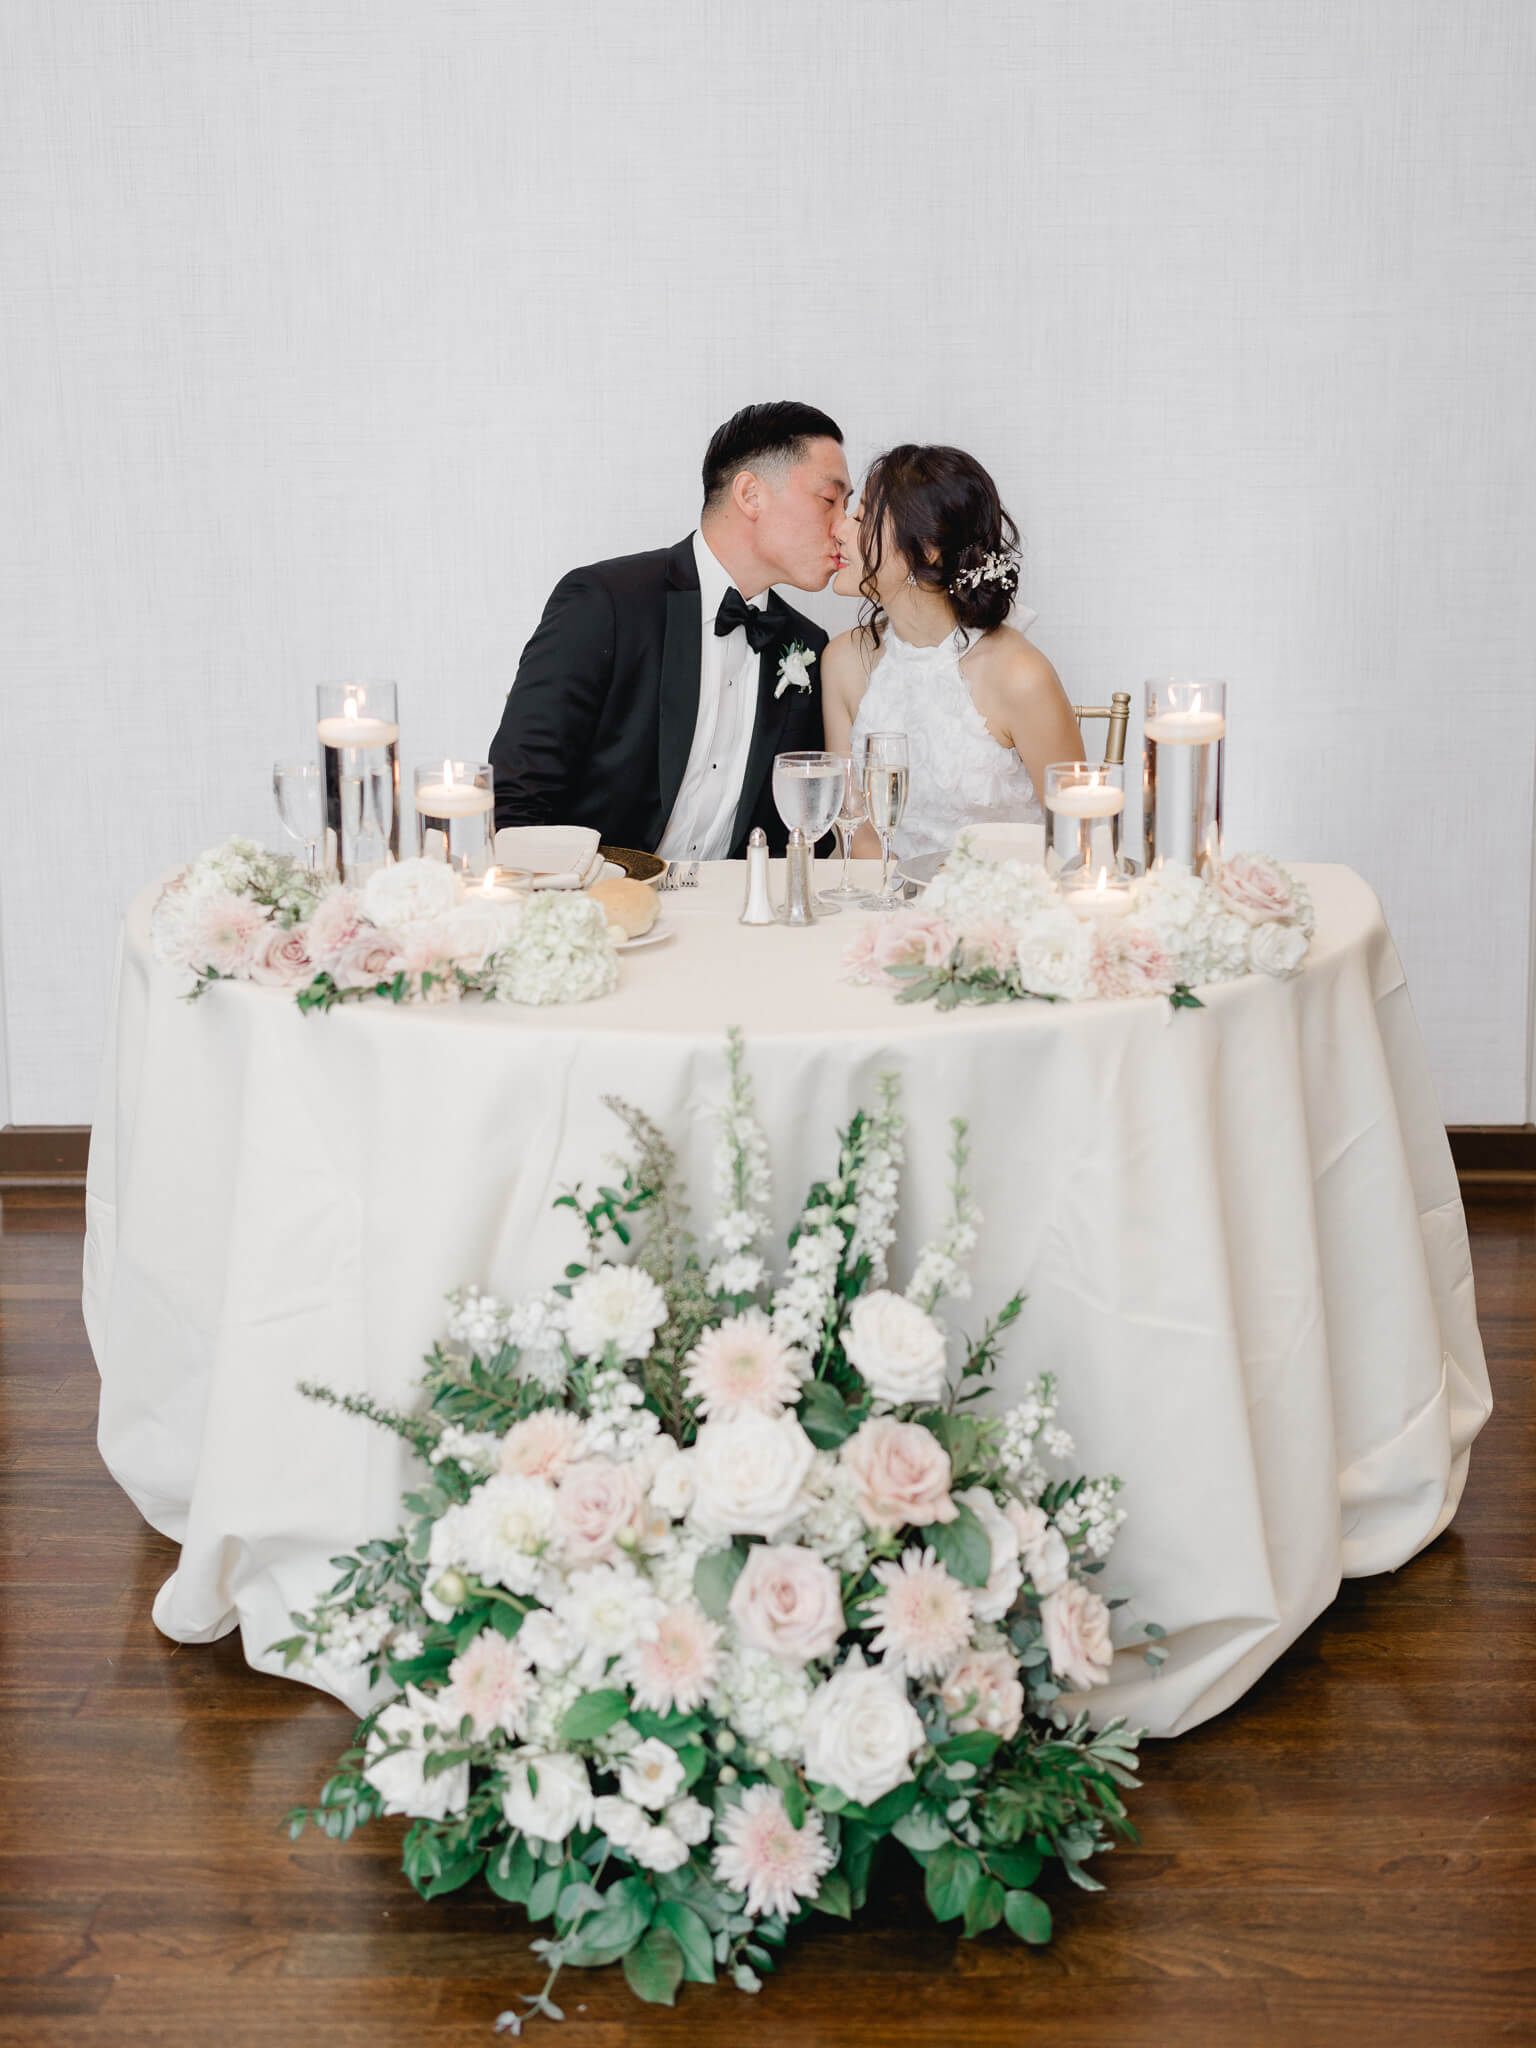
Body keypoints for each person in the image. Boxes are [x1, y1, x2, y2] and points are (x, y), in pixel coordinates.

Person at [489, 402, 850, 859]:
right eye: (829, 500)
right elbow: (517, 800)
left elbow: (794, 840)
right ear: (750, 495)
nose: (844, 526)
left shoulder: (807, 645)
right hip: (597, 911)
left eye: (849, 505)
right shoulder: (604, 603)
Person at [821, 445, 1080, 860]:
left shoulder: (1020, 675)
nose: (839, 529)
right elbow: (856, 835)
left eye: (862, 516)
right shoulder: (843, 662)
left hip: (1002, 910)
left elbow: (1079, 840)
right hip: (887, 914)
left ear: (927, 549)